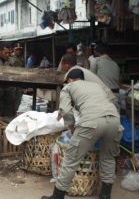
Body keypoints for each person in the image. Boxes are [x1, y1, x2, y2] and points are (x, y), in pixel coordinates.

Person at [41, 69, 123, 199]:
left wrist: (72, 127)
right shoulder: (96, 85)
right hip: (114, 121)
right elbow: (111, 101)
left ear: (70, 80)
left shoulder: (68, 87)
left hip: (91, 122)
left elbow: (66, 111)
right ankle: (105, 195)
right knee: (108, 158)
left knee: (71, 159)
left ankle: (57, 196)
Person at [0, 42, 19, 117]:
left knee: (9, 108)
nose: (7, 55)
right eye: (5, 53)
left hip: (9, 87)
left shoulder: (13, 61)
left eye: (9, 53)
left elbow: (17, 74)